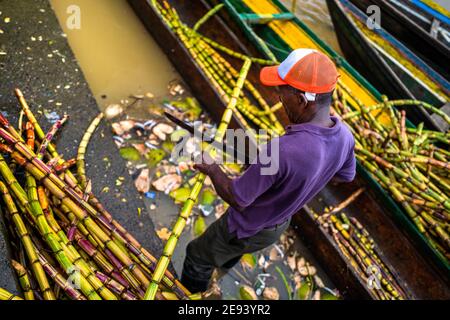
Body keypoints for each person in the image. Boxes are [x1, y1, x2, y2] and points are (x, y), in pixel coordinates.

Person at [180, 49, 356, 293]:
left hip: (247, 225)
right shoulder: (345, 136)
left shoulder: (283, 150)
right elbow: (344, 175)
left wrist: (212, 169)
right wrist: (300, 179)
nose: (279, 97)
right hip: (278, 225)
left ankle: (189, 297)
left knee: (196, 256)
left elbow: (238, 198)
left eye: (282, 91)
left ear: (303, 100)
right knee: (230, 251)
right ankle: (222, 268)